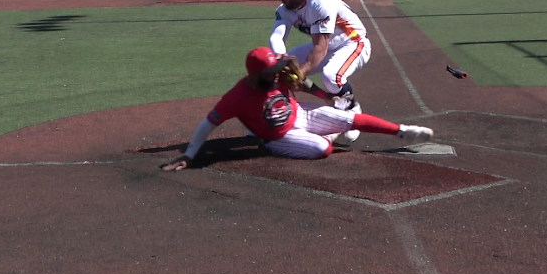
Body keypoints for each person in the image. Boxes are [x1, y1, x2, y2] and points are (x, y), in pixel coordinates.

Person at [162, 47, 432, 169]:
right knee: (323, 149)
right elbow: (207, 124)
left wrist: (325, 96)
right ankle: (298, 140)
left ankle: (402, 131)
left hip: (299, 113)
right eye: (272, 71)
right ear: (256, 75)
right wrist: (189, 155)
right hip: (277, 136)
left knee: (349, 118)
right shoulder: (237, 96)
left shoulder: (276, 74)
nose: (277, 73)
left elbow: (301, 84)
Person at [269, 0, 371, 109]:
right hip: (328, 45)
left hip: (353, 42)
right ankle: (283, 109)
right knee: (281, 68)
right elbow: (277, 36)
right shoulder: (285, 9)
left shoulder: (319, 3)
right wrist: (281, 56)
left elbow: (320, 48)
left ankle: (352, 108)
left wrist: (301, 72)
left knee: (331, 76)